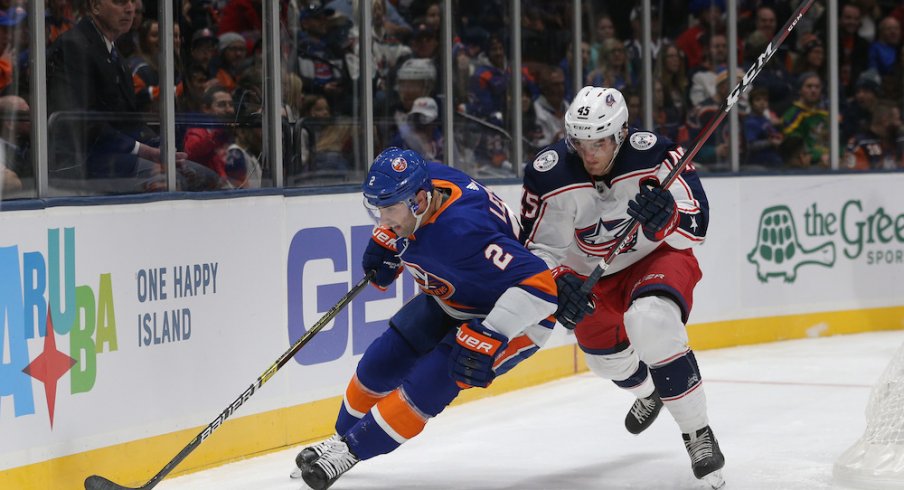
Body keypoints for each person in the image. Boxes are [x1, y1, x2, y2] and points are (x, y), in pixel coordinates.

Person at [292, 147, 558, 490]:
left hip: (513, 319)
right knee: (379, 363)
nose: (383, 219)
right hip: (454, 298)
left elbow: (542, 286)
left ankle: (351, 452)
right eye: (377, 210)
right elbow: (410, 232)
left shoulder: (464, 230)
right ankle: (340, 440)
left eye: (389, 210)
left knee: (427, 386)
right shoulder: (426, 182)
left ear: (419, 200)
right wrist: (387, 240)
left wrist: (493, 331)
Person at [519, 86, 724, 486]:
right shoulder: (548, 174)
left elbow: (696, 227)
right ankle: (650, 392)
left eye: (599, 142)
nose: (589, 153)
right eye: (580, 142)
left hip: (655, 258)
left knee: (651, 321)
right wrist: (559, 283)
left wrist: (669, 220)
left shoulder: (655, 155)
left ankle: (698, 432)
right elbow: (537, 249)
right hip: (587, 279)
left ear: (622, 132)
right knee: (604, 362)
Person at [45, 0, 223, 193]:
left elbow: (128, 119)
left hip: (113, 156)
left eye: (132, 2)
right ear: (95, 6)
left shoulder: (115, 54)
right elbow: (83, 121)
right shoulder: (74, 45)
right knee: (175, 181)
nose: (130, 9)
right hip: (85, 162)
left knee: (207, 178)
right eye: (120, 2)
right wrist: (145, 151)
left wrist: (159, 145)